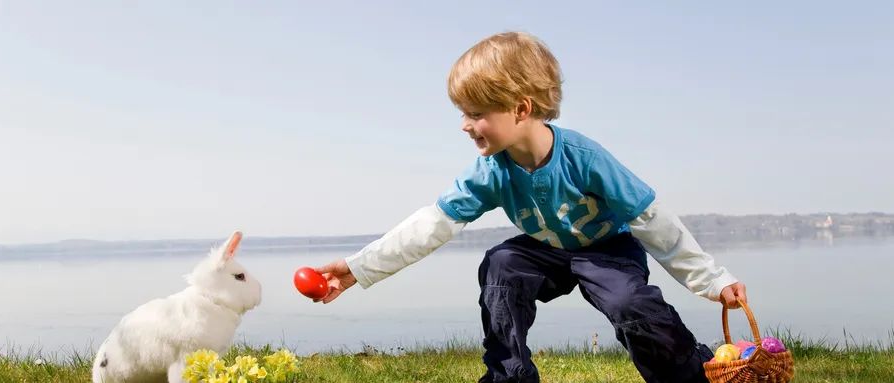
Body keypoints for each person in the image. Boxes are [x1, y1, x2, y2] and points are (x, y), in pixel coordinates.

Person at [313, 31, 747, 383]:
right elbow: (433, 224)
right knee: (503, 263)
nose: (464, 124)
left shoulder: (585, 158)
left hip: (608, 249)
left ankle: (690, 374)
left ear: (520, 109)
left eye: (475, 112)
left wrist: (712, 280)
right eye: (462, 112)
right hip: (546, 251)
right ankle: (509, 376)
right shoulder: (491, 170)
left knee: (629, 304)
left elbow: (652, 220)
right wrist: (358, 268)